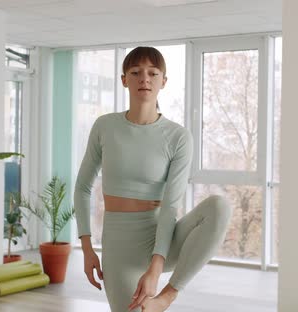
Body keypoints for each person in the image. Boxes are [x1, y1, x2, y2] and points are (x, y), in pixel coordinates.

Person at [74, 46, 232, 312]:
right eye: (135, 72)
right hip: (119, 248)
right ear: (124, 80)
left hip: (162, 239)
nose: (144, 78)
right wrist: (87, 248)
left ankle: (167, 298)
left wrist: (156, 269)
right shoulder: (105, 126)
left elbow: (171, 205)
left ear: (163, 81)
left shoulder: (178, 136)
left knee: (219, 206)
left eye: (152, 72)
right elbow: (82, 188)